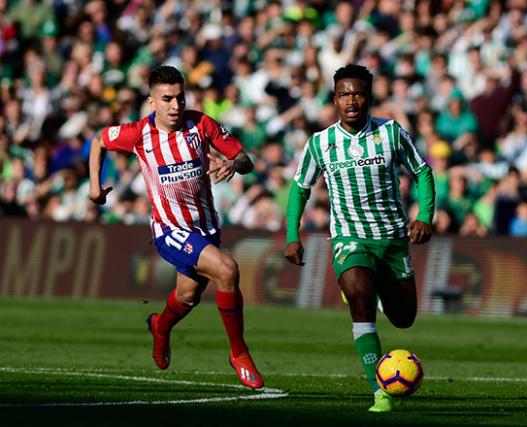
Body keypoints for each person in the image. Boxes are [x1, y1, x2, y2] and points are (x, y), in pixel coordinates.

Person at [88, 65, 264, 389]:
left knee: (188, 296)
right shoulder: (138, 134)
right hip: (169, 230)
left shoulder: (201, 124)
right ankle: (238, 353)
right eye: (167, 99)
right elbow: (99, 140)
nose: (175, 106)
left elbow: (245, 159)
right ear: (152, 101)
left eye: (180, 97)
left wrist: (232, 163)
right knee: (227, 270)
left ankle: (160, 326)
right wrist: (95, 187)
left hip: (206, 227)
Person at [284, 64, 435, 412]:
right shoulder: (320, 143)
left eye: (358, 93)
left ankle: (370, 290)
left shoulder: (392, 133)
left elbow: (423, 171)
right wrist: (293, 235)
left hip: (393, 239)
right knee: (359, 295)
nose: (351, 100)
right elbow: (299, 189)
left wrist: (424, 216)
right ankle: (378, 390)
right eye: (343, 94)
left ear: (369, 96)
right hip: (349, 238)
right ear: (334, 99)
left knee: (403, 318)